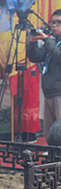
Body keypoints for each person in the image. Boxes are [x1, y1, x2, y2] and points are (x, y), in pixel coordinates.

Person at [26, 9, 61, 137]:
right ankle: (52, 154)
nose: (54, 26)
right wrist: (33, 42)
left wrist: (47, 40)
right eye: (52, 22)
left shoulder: (51, 42)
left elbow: (58, 55)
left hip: (59, 93)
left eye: (58, 22)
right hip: (49, 92)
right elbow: (36, 57)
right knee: (50, 133)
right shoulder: (53, 41)